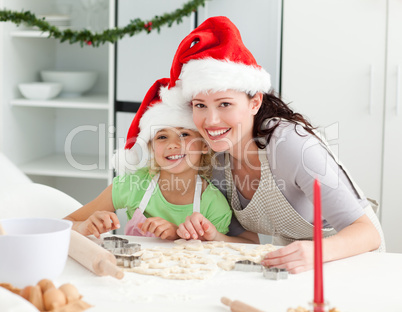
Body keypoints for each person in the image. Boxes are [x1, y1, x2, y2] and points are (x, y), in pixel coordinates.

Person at [159, 16, 385, 273]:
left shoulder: (291, 146)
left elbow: (367, 234)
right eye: (201, 105)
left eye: (225, 104)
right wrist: (213, 236)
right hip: (296, 264)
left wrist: (315, 250)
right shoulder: (217, 161)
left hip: (353, 258)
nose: (210, 121)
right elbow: (247, 242)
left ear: (254, 103)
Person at [64, 78, 234, 241]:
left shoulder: (213, 204)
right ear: (151, 147)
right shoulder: (132, 185)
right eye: (161, 137)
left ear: (204, 145)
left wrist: (176, 234)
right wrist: (84, 227)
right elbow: (65, 223)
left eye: (184, 134)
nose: (173, 144)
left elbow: (215, 257)